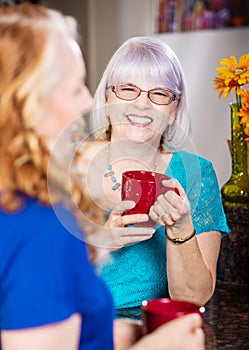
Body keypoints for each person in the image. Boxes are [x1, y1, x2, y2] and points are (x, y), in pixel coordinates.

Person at [0, 3, 205, 350]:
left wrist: (111, 336)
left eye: (159, 93)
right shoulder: (42, 227)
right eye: (76, 87)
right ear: (28, 102)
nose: (87, 104)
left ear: (174, 105)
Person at [76, 36, 230, 319]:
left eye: (159, 94)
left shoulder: (197, 174)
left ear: (173, 108)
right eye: (128, 89)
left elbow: (193, 299)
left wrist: (181, 228)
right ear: (108, 97)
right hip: (72, 325)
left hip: (151, 330)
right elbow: (26, 272)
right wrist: (96, 243)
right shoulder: (66, 164)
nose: (142, 104)